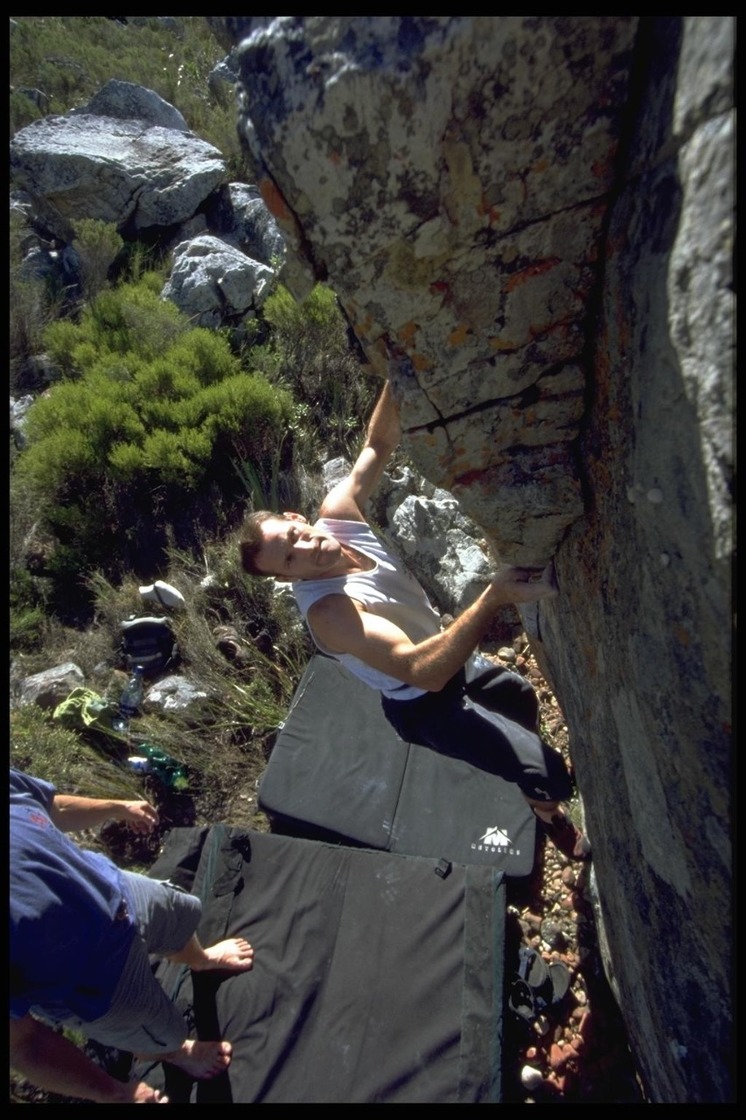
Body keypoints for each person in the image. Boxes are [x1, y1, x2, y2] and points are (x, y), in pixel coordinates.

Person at [239, 381, 590, 862]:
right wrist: (494, 597)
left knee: (521, 697)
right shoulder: (329, 614)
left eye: (294, 536)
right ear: (286, 578)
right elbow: (422, 670)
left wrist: (396, 375)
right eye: (290, 559)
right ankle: (548, 813)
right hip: (424, 703)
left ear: (296, 516)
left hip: (442, 656)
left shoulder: (337, 515)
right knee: (550, 773)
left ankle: (526, 780)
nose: (306, 549)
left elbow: (378, 443)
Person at [10, 768, 255, 1105]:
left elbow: (47, 805)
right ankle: (174, 1052)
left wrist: (116, 807)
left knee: (182, 913)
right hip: (98, 985)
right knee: (164, 1031)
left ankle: (201, 959)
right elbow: (23, 1044)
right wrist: (116, 1093)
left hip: (117, 888)